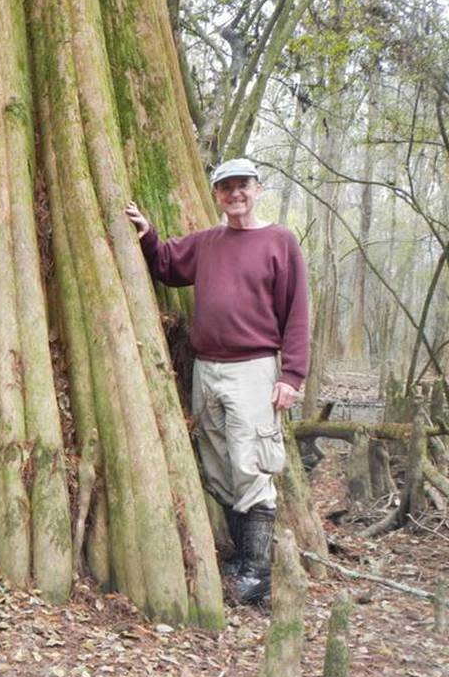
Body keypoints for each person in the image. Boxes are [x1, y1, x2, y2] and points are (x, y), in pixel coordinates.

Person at [124, 157, 310, 605]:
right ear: (217, 196)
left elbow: (298, 312)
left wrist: (292, 374)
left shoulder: (279, 241)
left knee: (251, 463)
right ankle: (240, 555)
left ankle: (258, 572)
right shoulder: (208, 242)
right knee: (217, 461)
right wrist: (147, 233)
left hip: (254, 368)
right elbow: (167, 265)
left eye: (242, 185)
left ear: (258, 189)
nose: (235, 194)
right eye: (226, 188)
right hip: (206, 368)